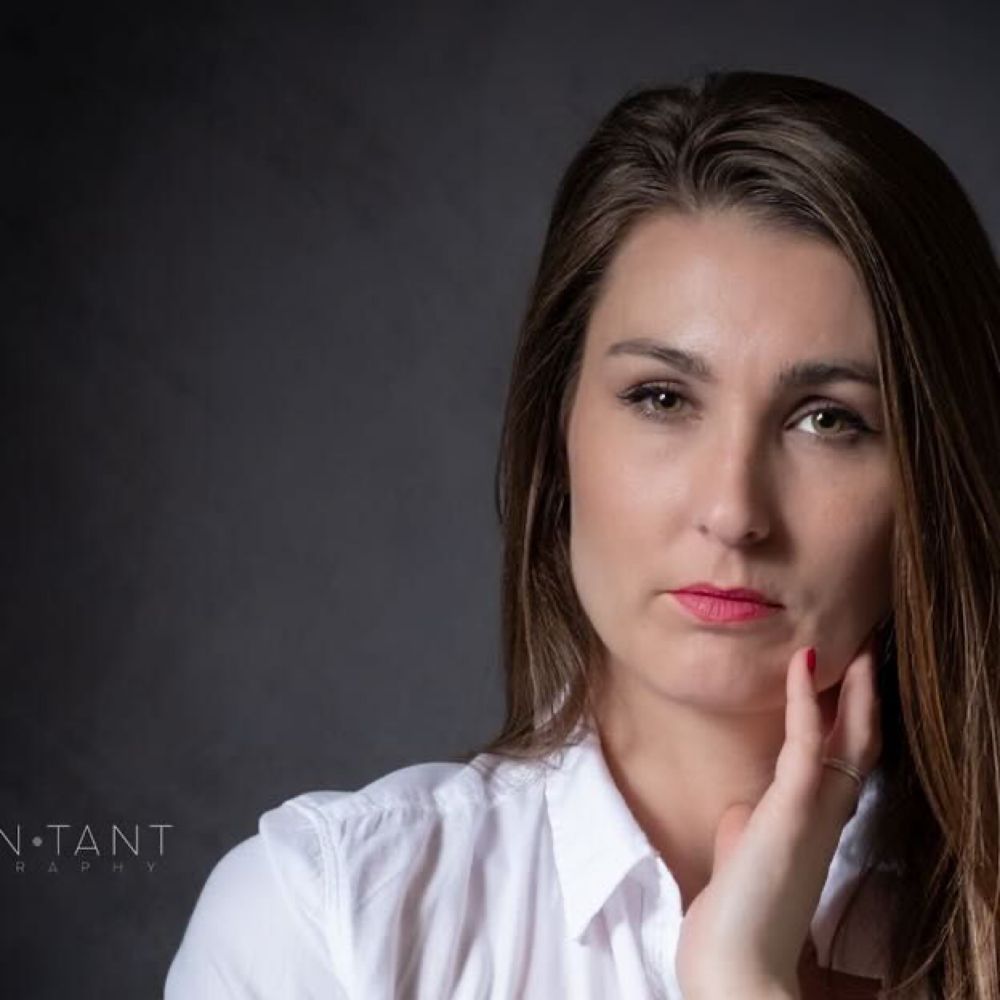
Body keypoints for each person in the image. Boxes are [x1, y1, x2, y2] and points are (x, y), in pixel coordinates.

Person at [164, 70, 1000, 999]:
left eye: (829, 419)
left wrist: (741, 979)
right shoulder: (332, 921)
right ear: (558, 438)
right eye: (661, 397)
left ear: (935, 477)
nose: (732, 511)